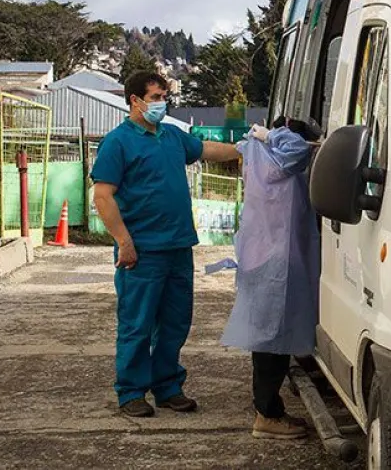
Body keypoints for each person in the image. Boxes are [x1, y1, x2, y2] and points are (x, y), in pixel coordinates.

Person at [91, 71, 242, 418]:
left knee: (175, 322)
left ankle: (167, 387)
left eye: (164, 97)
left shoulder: (171, 136)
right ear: (135, 100)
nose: (162, 103)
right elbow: (103, 196)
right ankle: (130, 392)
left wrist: (245, 148)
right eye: (156, 97)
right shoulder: (118, 142)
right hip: (142, 250)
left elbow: (206, 149)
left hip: (177, 247)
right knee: (138, 323)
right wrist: (123, 241)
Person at [220, 116, 322, 440]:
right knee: (272, 342)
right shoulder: (280, 157)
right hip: (276, 261)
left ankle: (267, 409)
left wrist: (265, 136)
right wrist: (274, 133)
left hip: (260, 256)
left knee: (268, 338)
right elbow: (294, 150)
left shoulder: (257, 157)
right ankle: (267, 415)